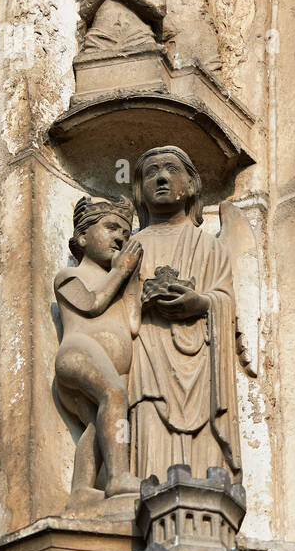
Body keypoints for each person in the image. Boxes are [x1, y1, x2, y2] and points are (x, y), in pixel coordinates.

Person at [129, 146, 241, 480]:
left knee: (202, 436)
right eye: (151, 172)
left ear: (190, 185)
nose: (162, 177)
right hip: (147, 352)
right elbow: (111, 304)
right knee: (148, 415)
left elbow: (225, 299)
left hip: (200, 357)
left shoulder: (207, 245)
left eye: (170, 169)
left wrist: (202, 303)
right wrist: (139, 300)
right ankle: (146, 488)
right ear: (139, 190)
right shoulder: (132, 246)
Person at [55, 197, 143, 508]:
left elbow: (133, 325)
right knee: (115, 396)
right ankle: (119, 477)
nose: (120, 237)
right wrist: (120, 272)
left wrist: (132, 279)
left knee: (98, 425)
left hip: (110, 364)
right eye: (110, 227)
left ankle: (81, 490)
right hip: (78, 355)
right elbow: (91, 304)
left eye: (125, 232)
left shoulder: (117, 284)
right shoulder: (69, 277)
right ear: (81, 237)